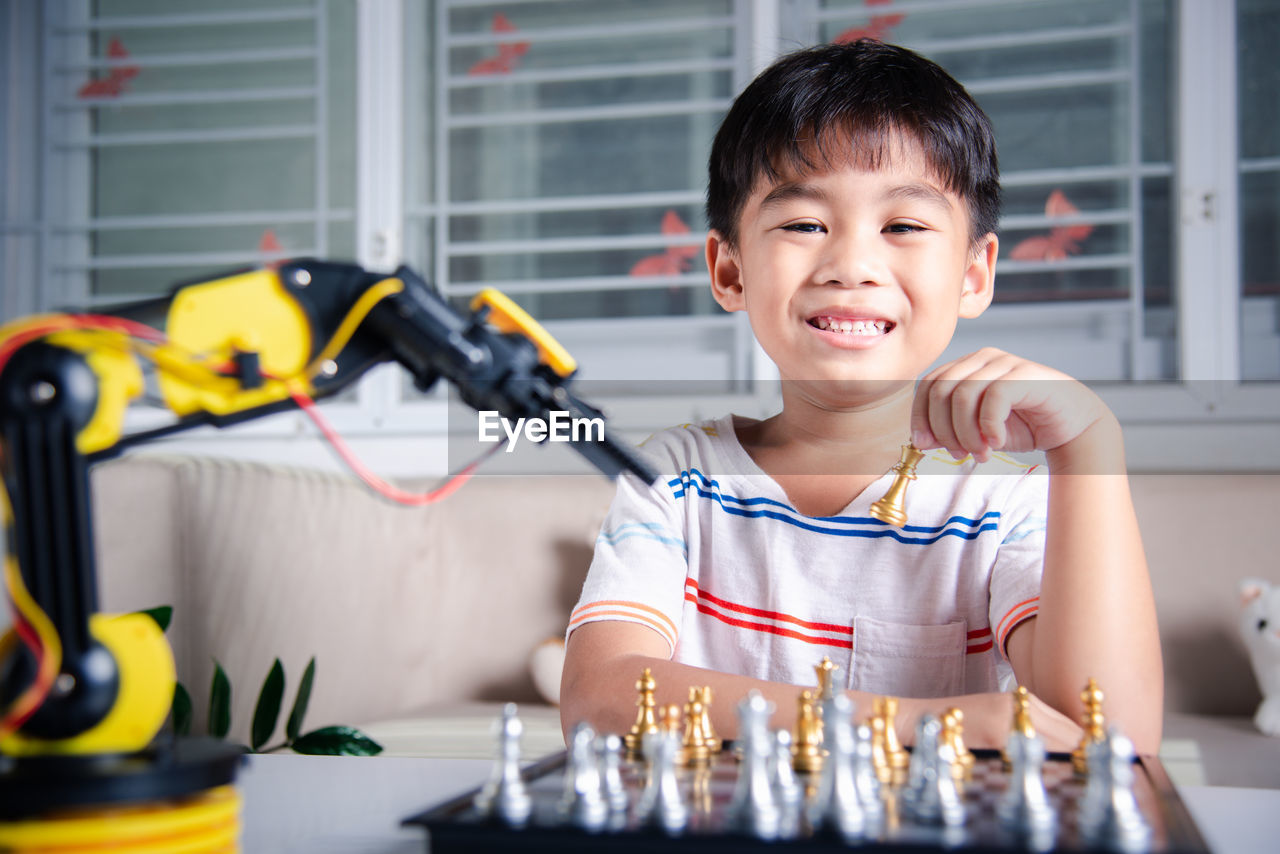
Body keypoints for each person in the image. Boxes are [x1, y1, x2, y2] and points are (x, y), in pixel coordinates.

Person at [559, 40, 1162, 754]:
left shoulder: (1009, 504)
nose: (852, 265)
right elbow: (597, 698)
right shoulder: (674, 477)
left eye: (903, 226)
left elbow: (1111, 738)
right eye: (804, 225)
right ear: (729, 270)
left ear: (974, 273)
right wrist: (917, 726)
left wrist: (1092, 445)